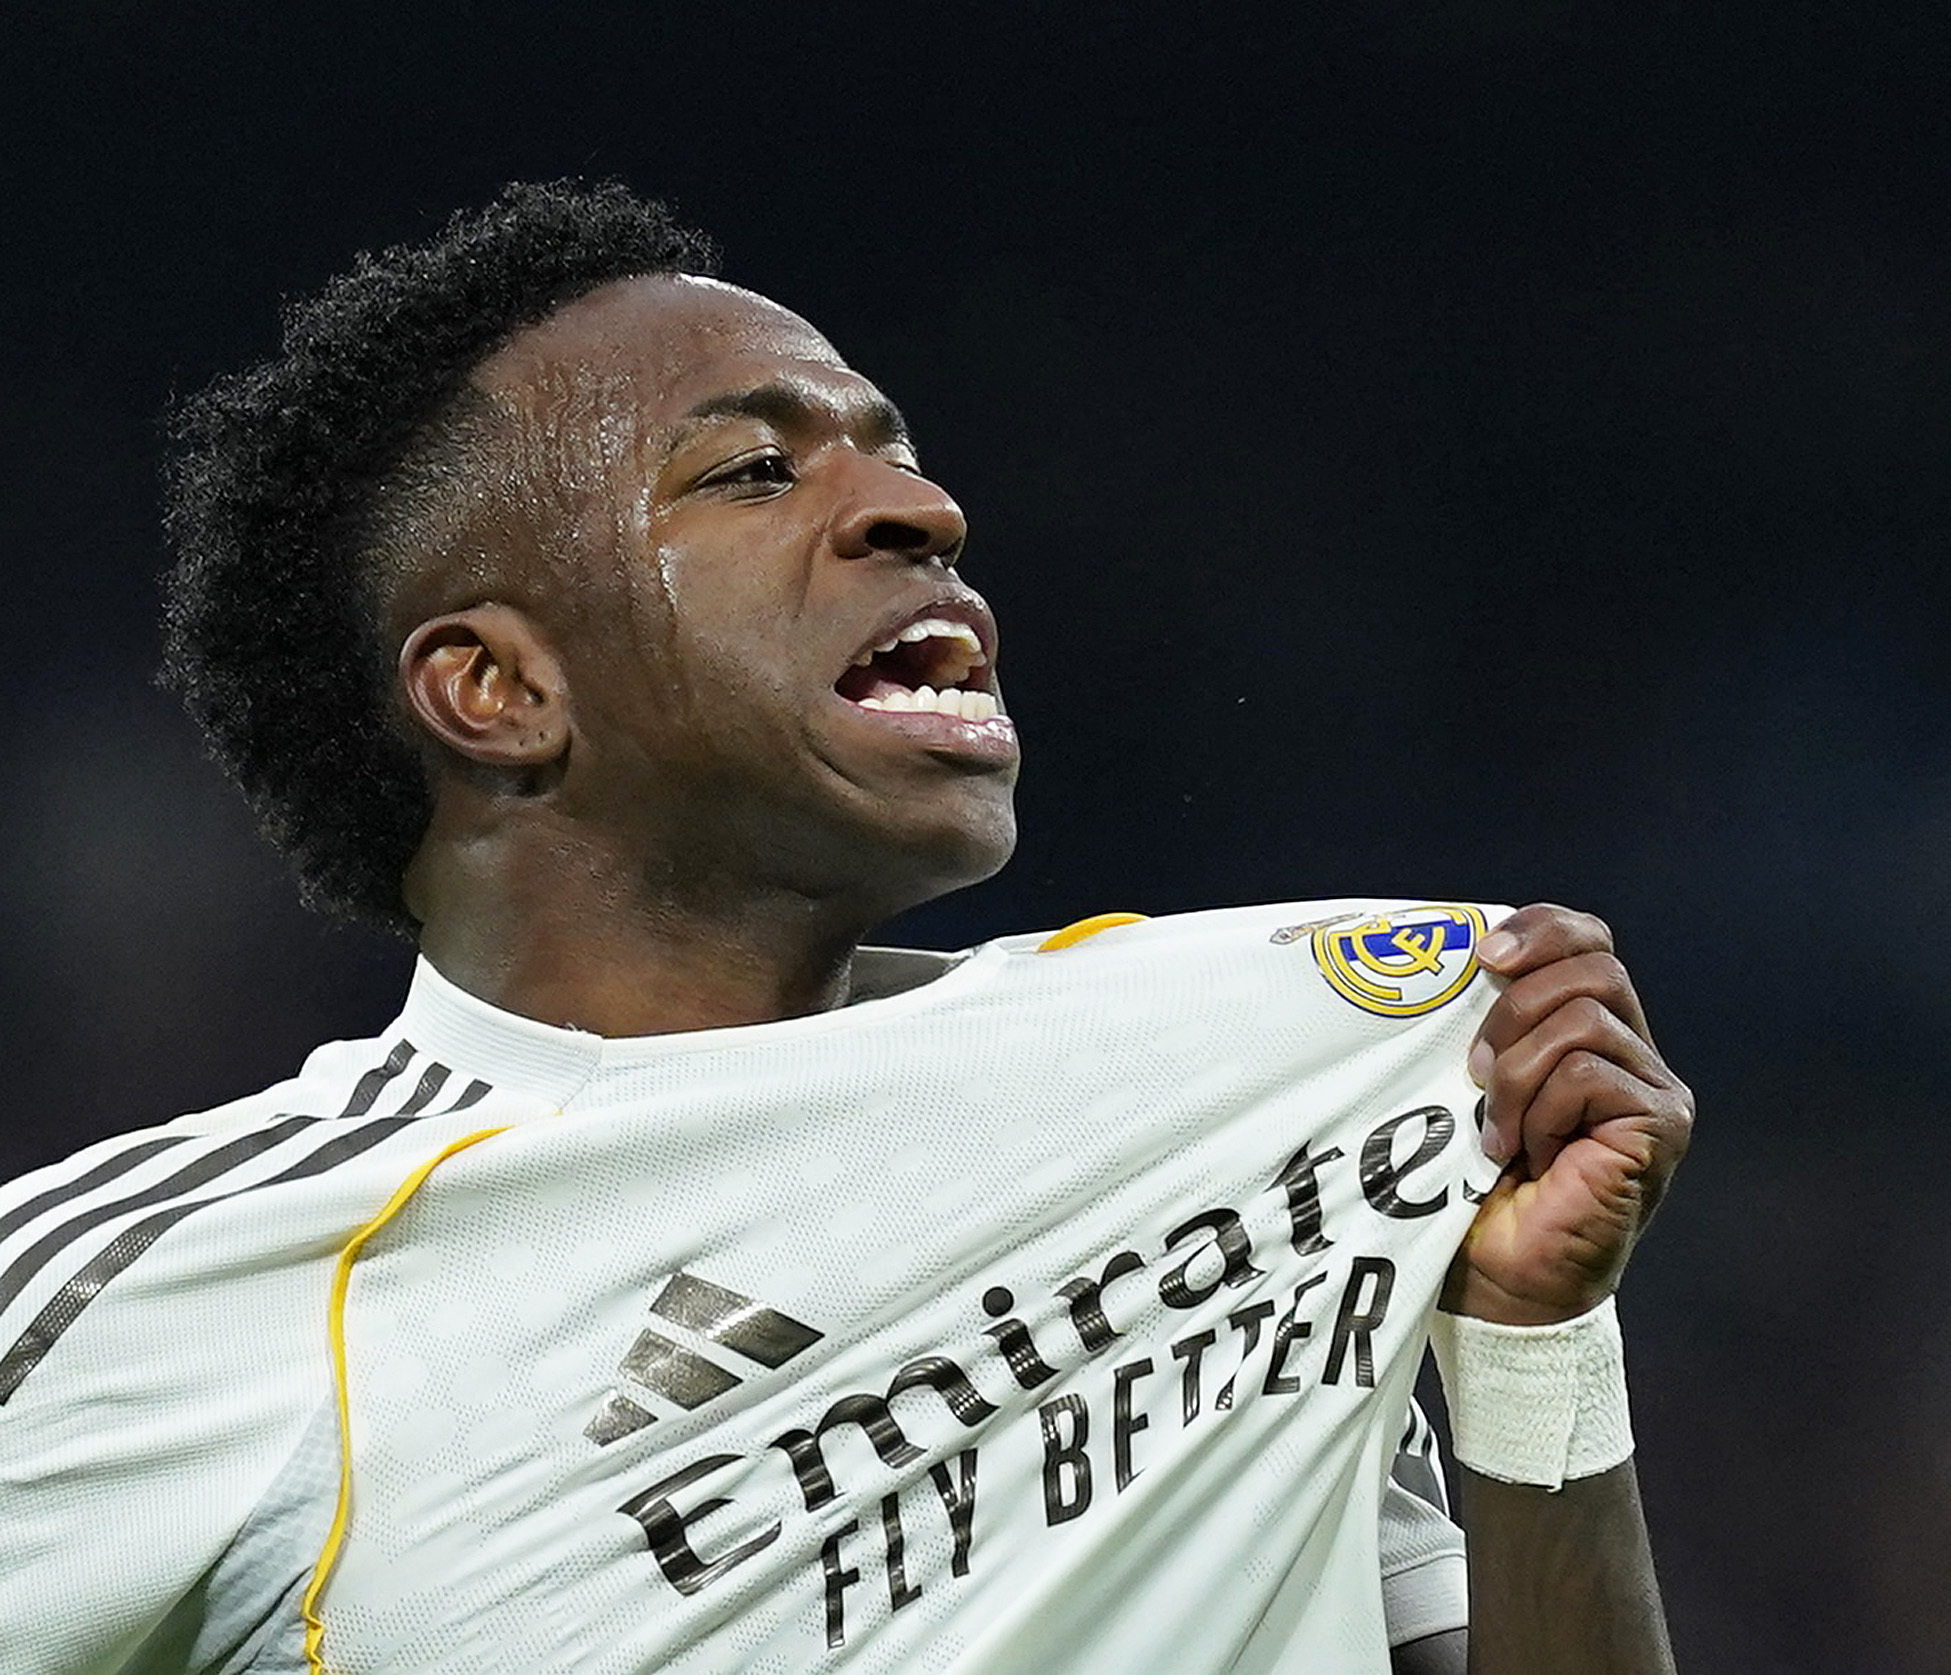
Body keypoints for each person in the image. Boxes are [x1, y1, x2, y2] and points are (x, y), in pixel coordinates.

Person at [0, 182, 1692, 1674]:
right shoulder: (194, 1289)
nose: (919, 511)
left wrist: (1538, 1343)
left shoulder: (1198, 1155)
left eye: (898, 452)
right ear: (498, 690)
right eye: (753, 471)